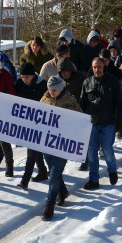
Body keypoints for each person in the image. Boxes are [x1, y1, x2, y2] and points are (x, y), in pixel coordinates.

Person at [40, 76, 83, 221]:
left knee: (53, 174)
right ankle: (63, 191)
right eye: (49, 89)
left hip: (62, 144)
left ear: (60, 89)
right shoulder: (44, 98)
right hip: (46, 142)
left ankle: (49, 205)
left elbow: (80, 118)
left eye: (54, 90)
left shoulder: (70, 101)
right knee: (53, 170)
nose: (51, 92)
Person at [79, 58, 122, 190]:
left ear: (103, 67)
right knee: (92, 153)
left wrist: (120, 122)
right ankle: (94, 180)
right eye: (94, 67)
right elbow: (82, 104)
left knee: (107, 150)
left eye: (99, 67)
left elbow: (120, 104)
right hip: (92, 123)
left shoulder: (113, 82)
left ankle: (112, 170)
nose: (97, 69)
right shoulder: (87, 82)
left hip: (108, 123)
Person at [16, 62, 49, 190]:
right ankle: (42, 171)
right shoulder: (19, 83)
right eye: (23, 77)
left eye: (27, 77)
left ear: (33, 75)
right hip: (26, 121)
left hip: (40, 121)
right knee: (35, 148)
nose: (24, 80)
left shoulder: (42, 84)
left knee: (32, 149)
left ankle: (25, 180)